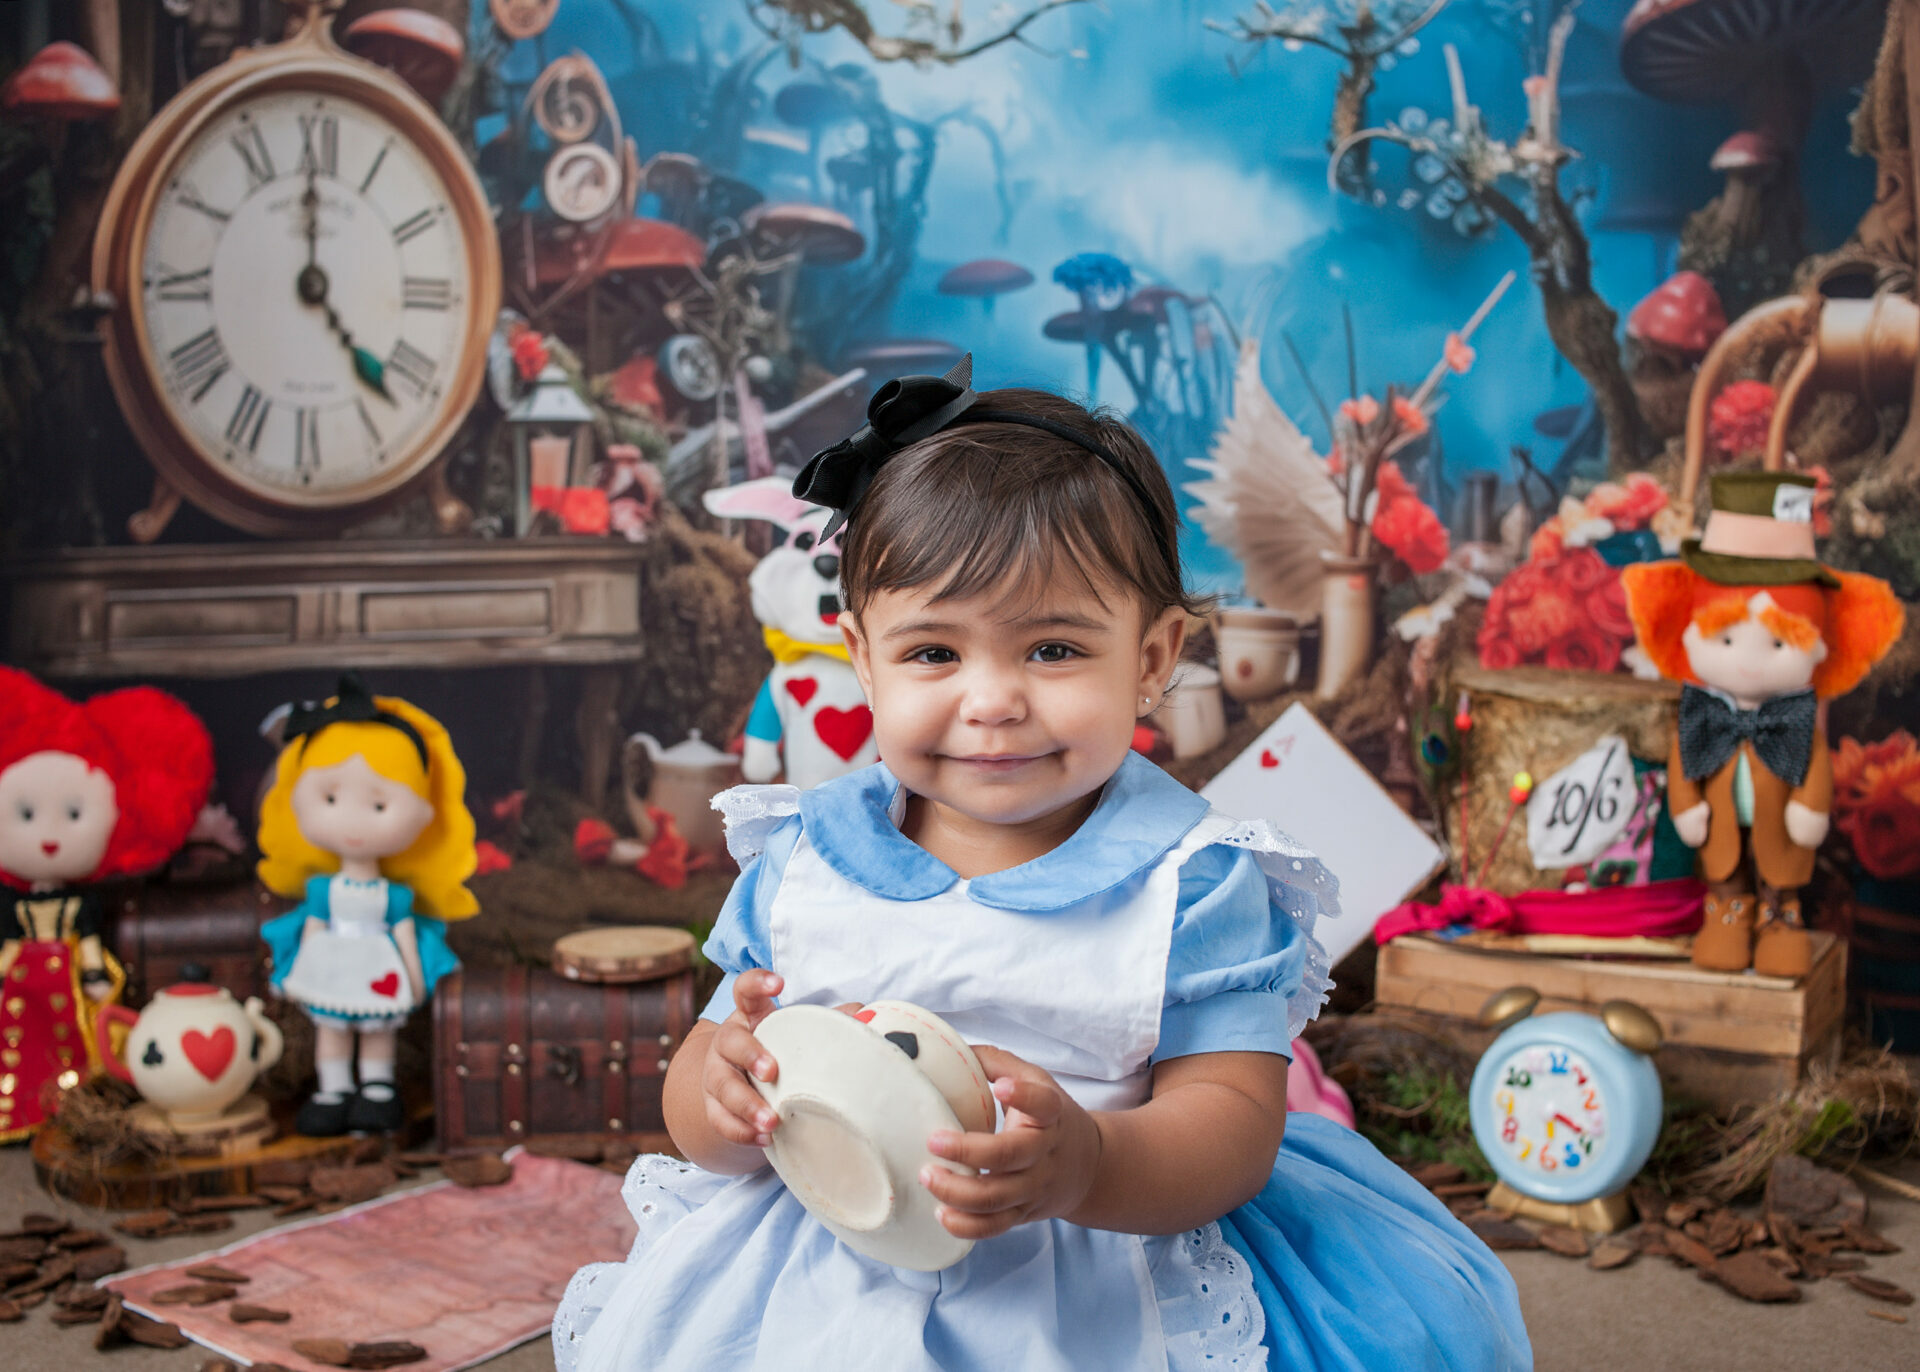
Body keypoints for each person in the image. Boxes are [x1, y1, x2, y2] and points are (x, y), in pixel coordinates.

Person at [555, 361, 1531, 1370]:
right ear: (862, 657)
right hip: (830, 1243)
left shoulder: (1190, 881)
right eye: (934, 653)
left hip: (1104, 1253)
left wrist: (1088, 1164)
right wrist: (721, 1100)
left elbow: (1236, 1123)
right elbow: (703, 1081)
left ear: (1152, 658)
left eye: (1053, 650)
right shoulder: (807, 855)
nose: (992, 702)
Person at [258, 675, 476, 1136]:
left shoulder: (395, 897)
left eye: (379, 806)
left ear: (424, 813)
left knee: (379, 1031)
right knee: (332, 1029)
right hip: (331, 967)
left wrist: (414, 982)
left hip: (380, 969)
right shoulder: (322, 891)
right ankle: (333, 1088)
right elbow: (312, 930)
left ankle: (377, 1086)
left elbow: (405, 935)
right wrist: (296, 973)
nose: (353, 822)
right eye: (330, 799)